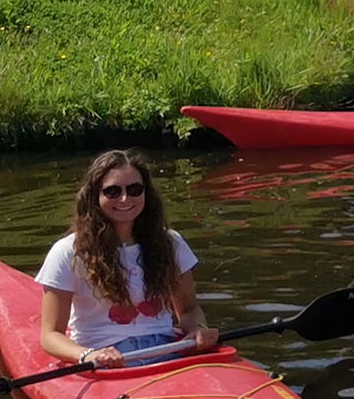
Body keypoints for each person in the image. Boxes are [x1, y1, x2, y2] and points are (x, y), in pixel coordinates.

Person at [35, 149, 217, 369]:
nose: (124, 199)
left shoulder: (171, 243)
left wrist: (198, 328)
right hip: (104, 360)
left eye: (134, 190)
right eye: (112, 191)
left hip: (167, 351)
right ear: (94, 196)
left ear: (145, 193)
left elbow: (188, 310)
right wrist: (87, 355)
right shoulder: (67, 252)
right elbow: (51, 335)